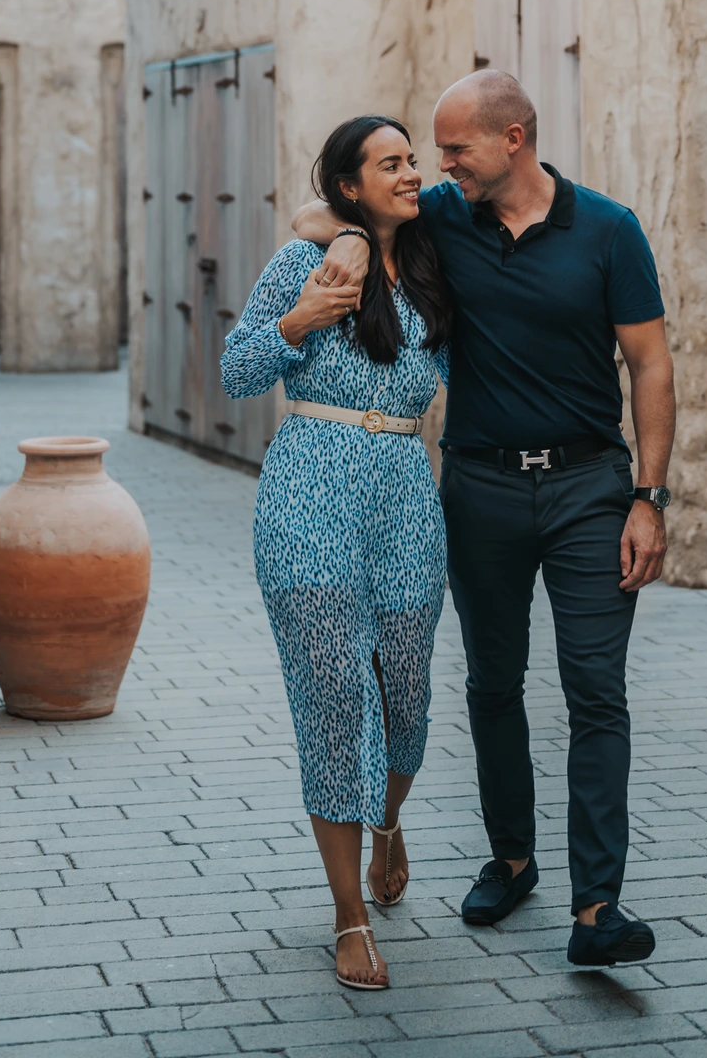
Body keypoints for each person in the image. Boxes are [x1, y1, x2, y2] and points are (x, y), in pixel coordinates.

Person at [293, 70, 675, 969]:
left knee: (594, 689)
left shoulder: (609, 231)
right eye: (431, 152)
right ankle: (510, 859)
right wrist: (349, 236)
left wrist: (648, 500)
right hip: (478, 489)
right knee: (494, 685)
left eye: (454, 147)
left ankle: (597, 907)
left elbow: (649, 366)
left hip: (590, 488)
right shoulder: (442, 219)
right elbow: (320, 213)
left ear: (514, 139)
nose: (438, 166)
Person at [221, 114, 453, 993]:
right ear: (350, 183)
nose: (409, 172)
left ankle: (387, 820)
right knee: (332, 701)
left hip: (403, 490)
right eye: (389, 163)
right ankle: (347, 915)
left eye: (411, 160)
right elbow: (237, 370)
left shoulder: (434, 260)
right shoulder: (303, 269)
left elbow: (325, 213)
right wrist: (299, 320)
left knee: (406, 698)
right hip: (308, 490)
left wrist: (354, 232)